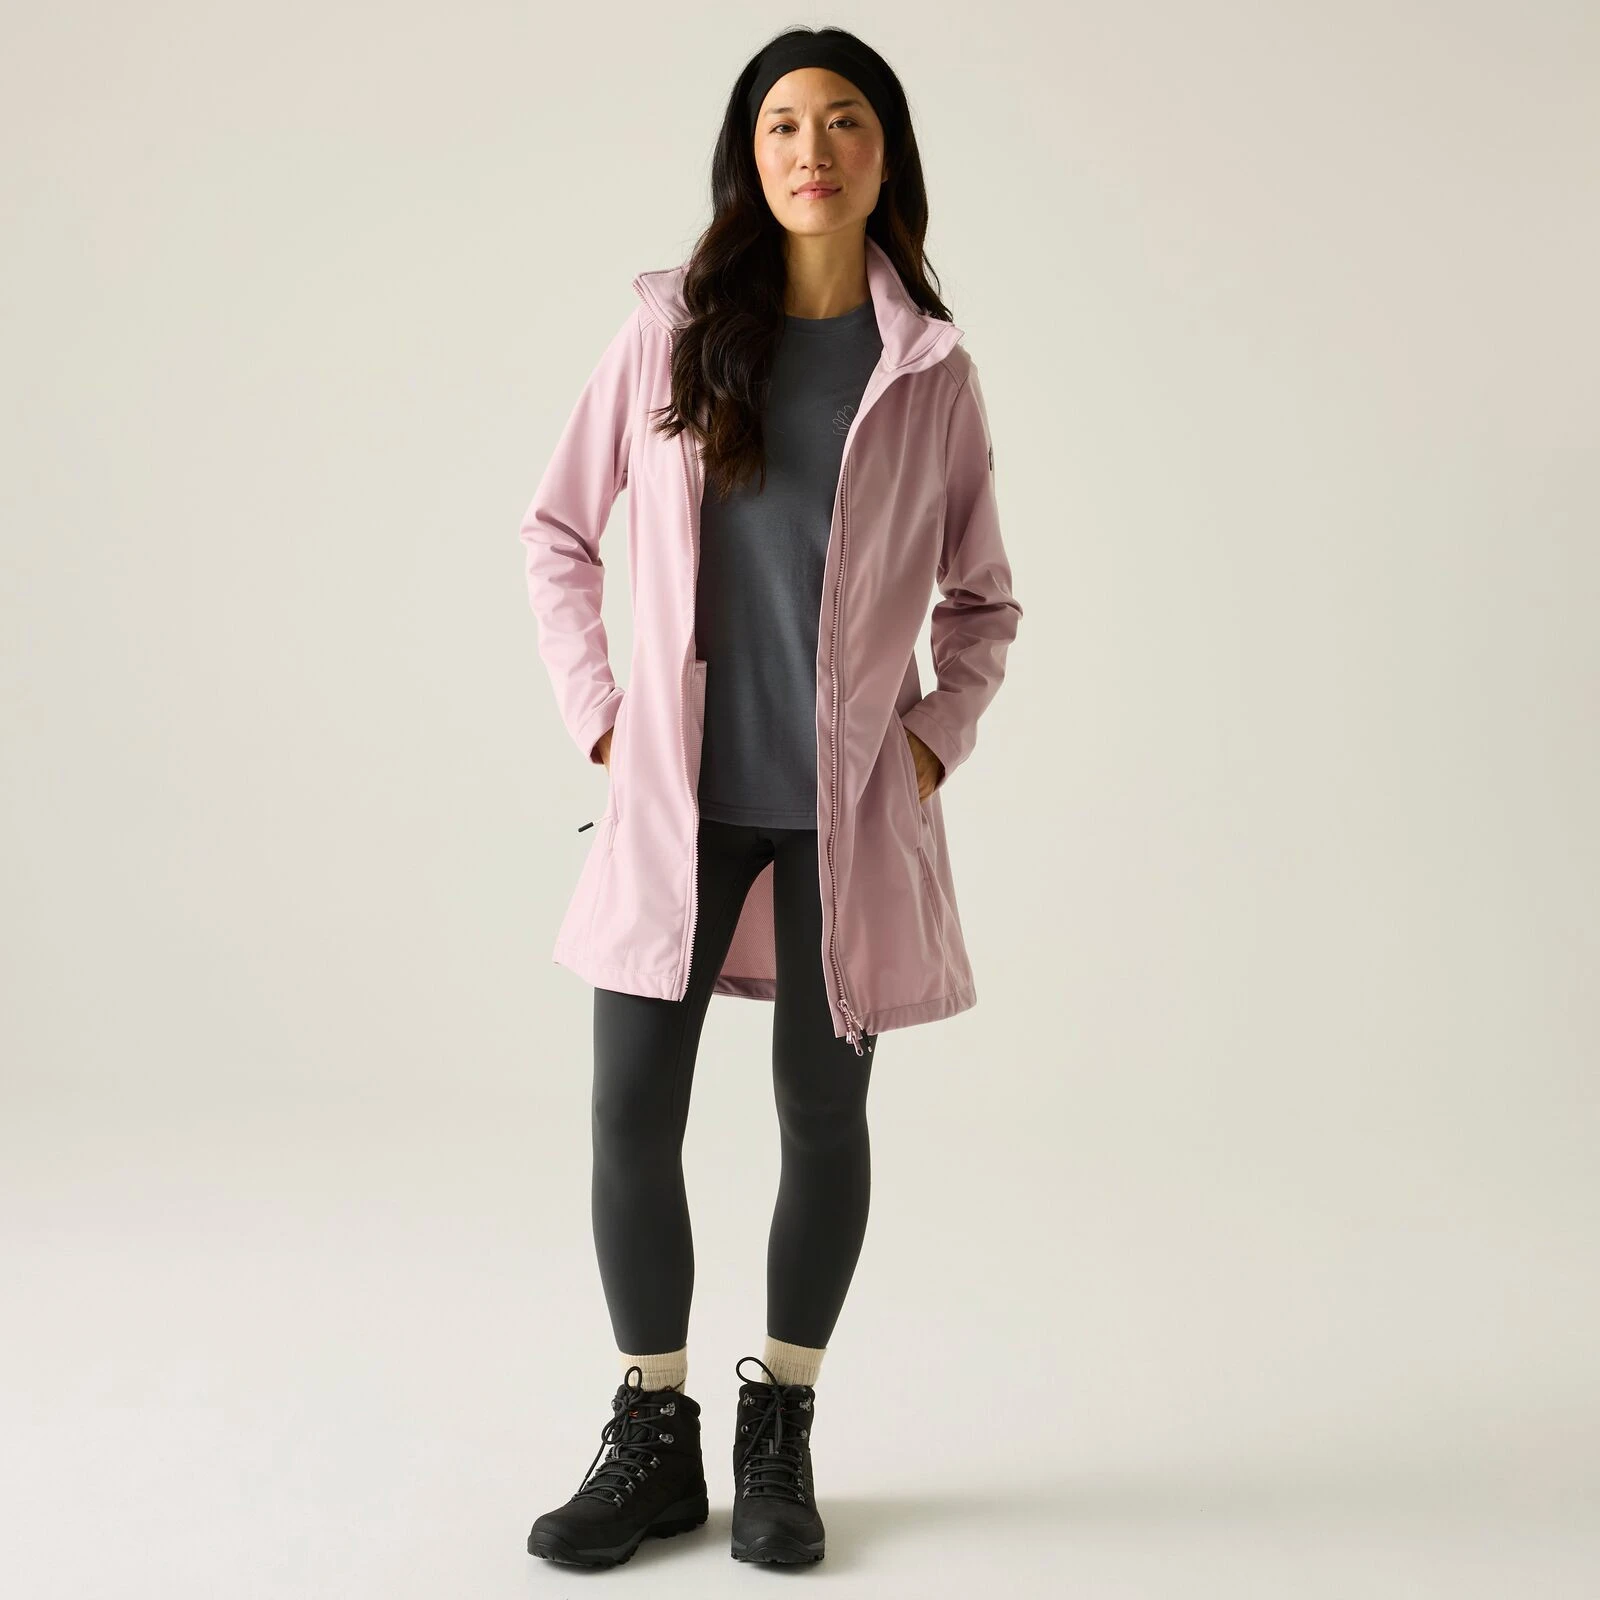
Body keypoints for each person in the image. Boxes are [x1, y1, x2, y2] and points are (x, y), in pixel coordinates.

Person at [519, 25, 1023, 1569]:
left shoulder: (929, 372)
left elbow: (984, 603)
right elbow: (557, 532)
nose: (814, 149)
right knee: (629, 1113)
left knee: (822, 1112)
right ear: (750, 156)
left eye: (845, 121)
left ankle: (782, 1425)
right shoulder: (672, 336)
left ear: (887, 155)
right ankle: (652, 1435)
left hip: (842, 821)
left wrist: (925, 744)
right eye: (784, 123)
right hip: (678, 804)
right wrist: (603, 721)